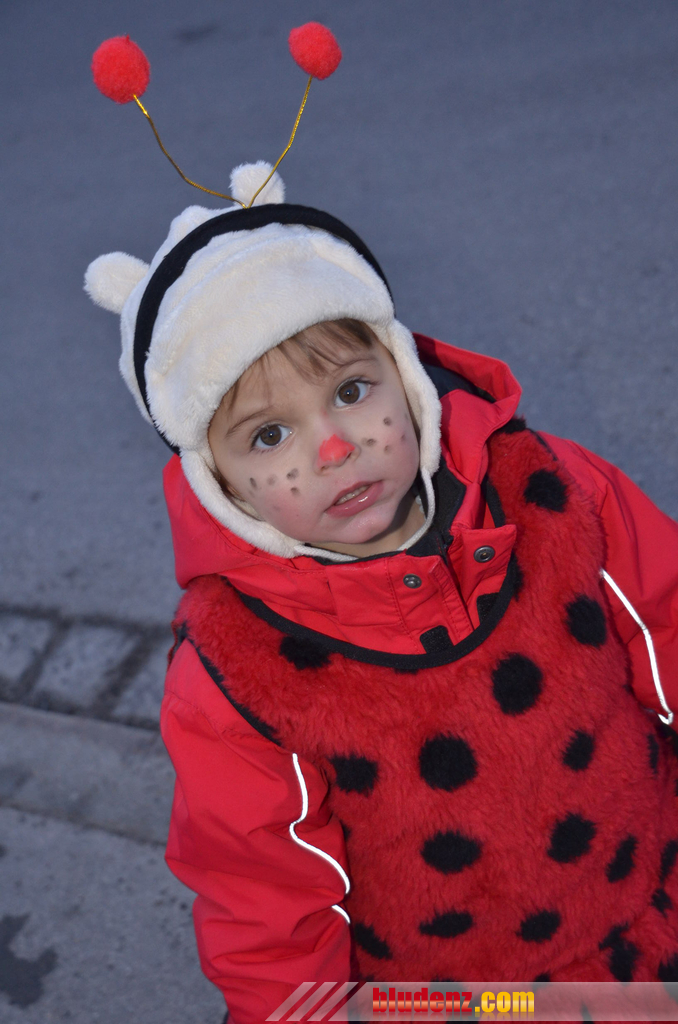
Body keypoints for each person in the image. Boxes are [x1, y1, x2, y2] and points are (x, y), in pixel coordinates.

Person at [85, 161, 678, 1024]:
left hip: (649, 905)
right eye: (269, 435)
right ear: (219, 482)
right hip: (461, 999)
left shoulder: (552, 491)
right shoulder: (237, 670)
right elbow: (265, 902)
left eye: (353, 391)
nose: (333, 448)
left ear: (404, 370)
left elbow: (668, 624)